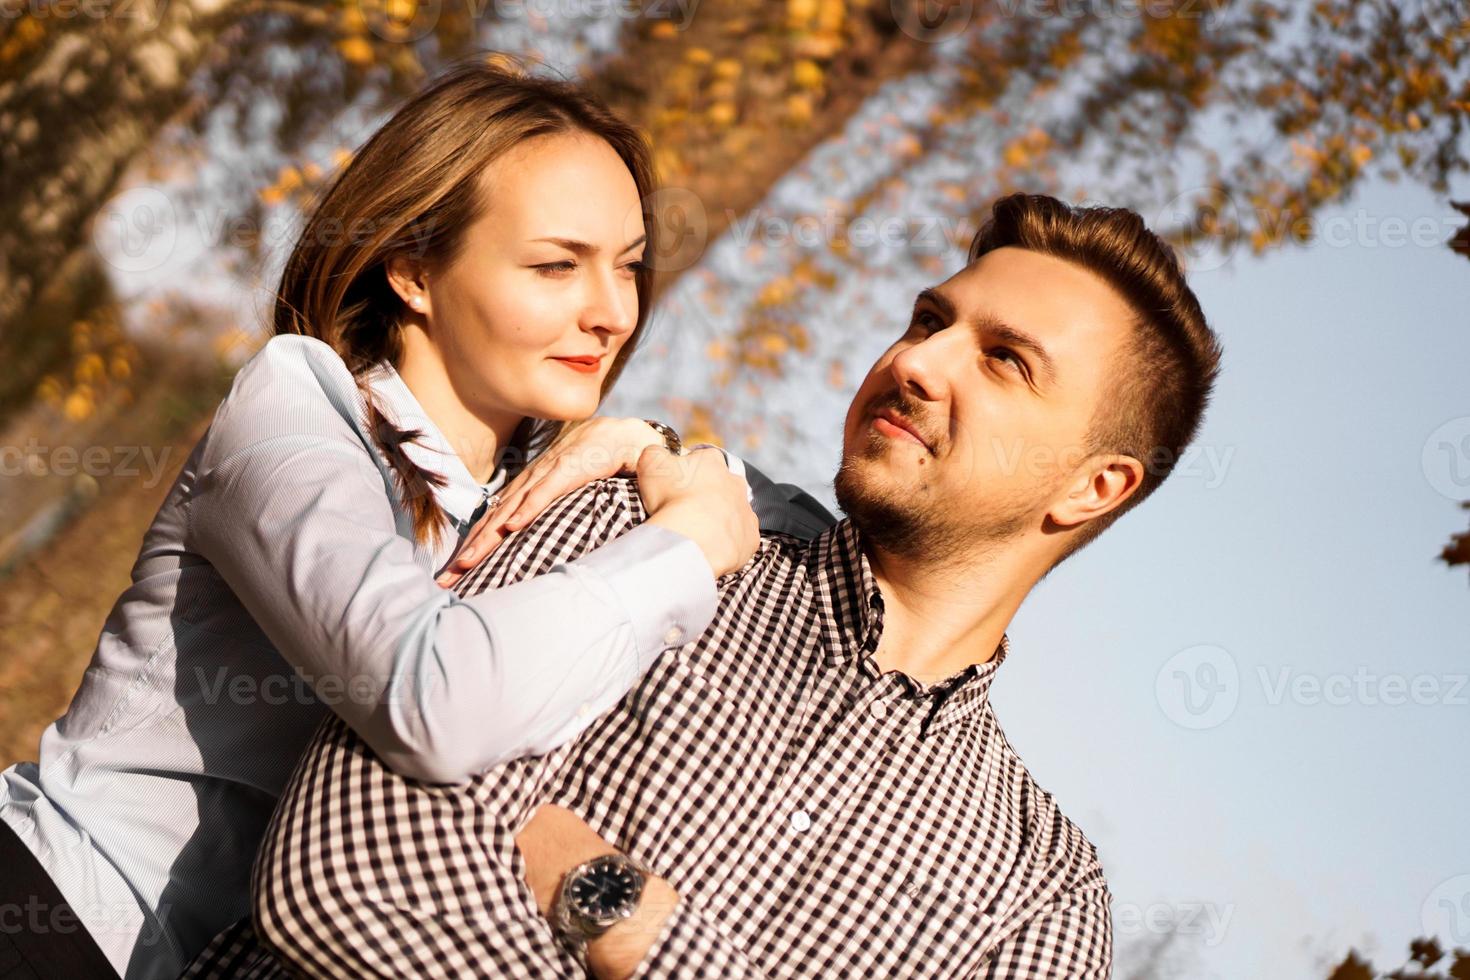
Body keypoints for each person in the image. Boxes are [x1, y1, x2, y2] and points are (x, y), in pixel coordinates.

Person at [181, 192, 1224, 979]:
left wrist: (613, 904)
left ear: (1096, 486)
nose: (920, 360)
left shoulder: (1038, 897)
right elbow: (343, 878)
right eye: (926, 319)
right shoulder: (636, 525)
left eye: (1004, 360)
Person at [0, 59, 832, 980]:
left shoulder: (556, 488)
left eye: (628, 267)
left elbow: (813, 541)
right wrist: (684, 544)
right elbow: (426, 695)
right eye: (557, 266)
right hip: (57, 918)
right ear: (413, 270)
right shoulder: (296, 408)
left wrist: (674, 453)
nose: (610, 313)